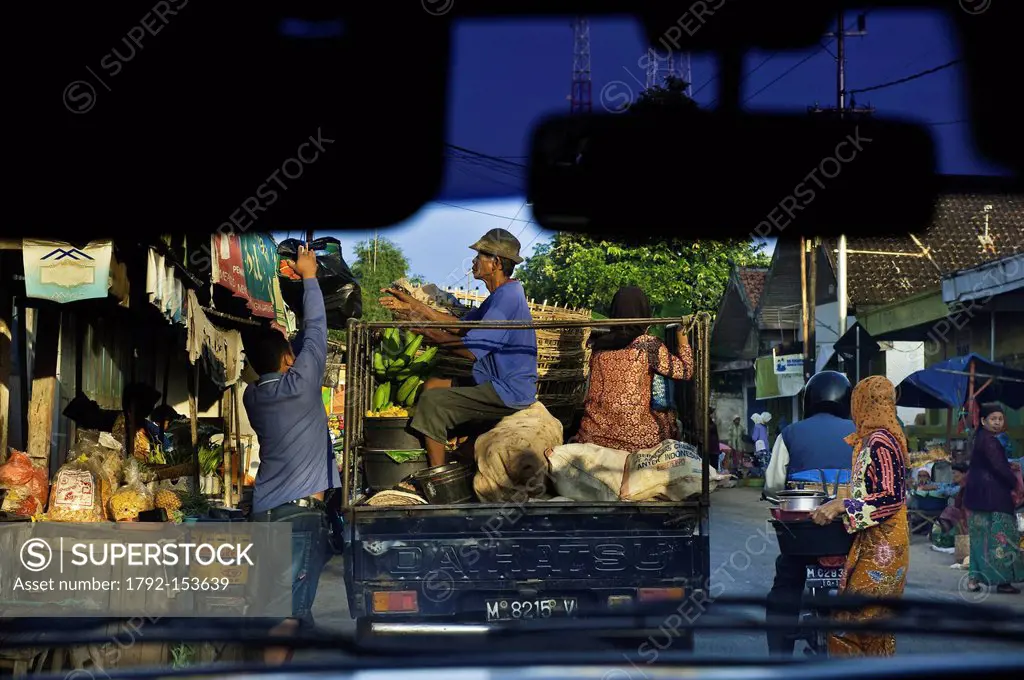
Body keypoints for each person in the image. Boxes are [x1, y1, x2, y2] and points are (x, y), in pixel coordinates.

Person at [242, 244, 339, 664]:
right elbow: (316, 330)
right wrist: (310, 277)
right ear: (287, 359)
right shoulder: (299, 386)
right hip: (297, 520)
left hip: (265, 513)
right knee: (284, 617)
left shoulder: (253, 396)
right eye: (291, 353)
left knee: (290, 610)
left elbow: (304, 341)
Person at [381, 228, 538, 467]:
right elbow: (458, 325)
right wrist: (412, 305)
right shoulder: (501, 294)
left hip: (507, 390)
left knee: (433, 402)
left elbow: (468, 349)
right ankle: (450, 447)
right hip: (492, 382)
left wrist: (423, 330)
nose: (474, 262)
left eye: (479, 257)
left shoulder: (507, 298)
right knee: (433, 384)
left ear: (495, 263)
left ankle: (439, 475)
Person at [810, 375, 909, 657]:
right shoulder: (871, 439)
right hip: (873, 540)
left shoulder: (881, 441)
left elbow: (891, 496)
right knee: (873, 625)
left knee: (851, 621)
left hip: (885, 546)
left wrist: (844, 506)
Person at [764, 370, 855, 656]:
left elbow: (774, 485)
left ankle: (779, 658)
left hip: (804, 536)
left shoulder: (790, 433)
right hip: (850, 532)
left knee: (786, 585)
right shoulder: (862, 433)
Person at [573, 286, 693, 452]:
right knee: (670, 419)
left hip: (593, 434)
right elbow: (685, 371)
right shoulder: (647, 345)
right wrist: (683, 340)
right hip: (638, 439)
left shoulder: (598, 347)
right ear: (643, 312)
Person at [964, 402, 1024, 594]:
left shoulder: (981, 438)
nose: (997, 422)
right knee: (1002, 538)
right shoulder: (990, 440)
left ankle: (973, 580)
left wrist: (1007, 466)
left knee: (980, 540)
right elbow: (998, 468)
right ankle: (1003, 581)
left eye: (1000, 419)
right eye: (993, 419)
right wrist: (1015, 483)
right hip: (994, 498)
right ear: (983, 421)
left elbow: (992, 464)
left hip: (977, 498)